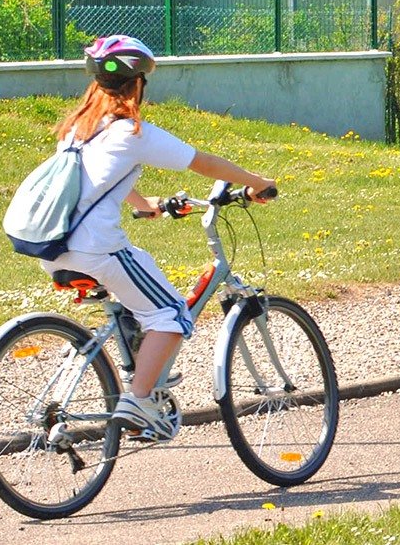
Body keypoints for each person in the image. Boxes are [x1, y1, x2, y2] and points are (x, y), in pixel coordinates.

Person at [39, 35, 276, 441]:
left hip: (53, 248)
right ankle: (139, 402)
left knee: (140, 274)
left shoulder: (77, 131)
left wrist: (142, 202)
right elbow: (202, 163)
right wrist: (256, 182)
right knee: (171, 314)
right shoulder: (131, 132)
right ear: (137, 84)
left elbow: (95, 178)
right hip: (96, 249)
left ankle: (137, 366)